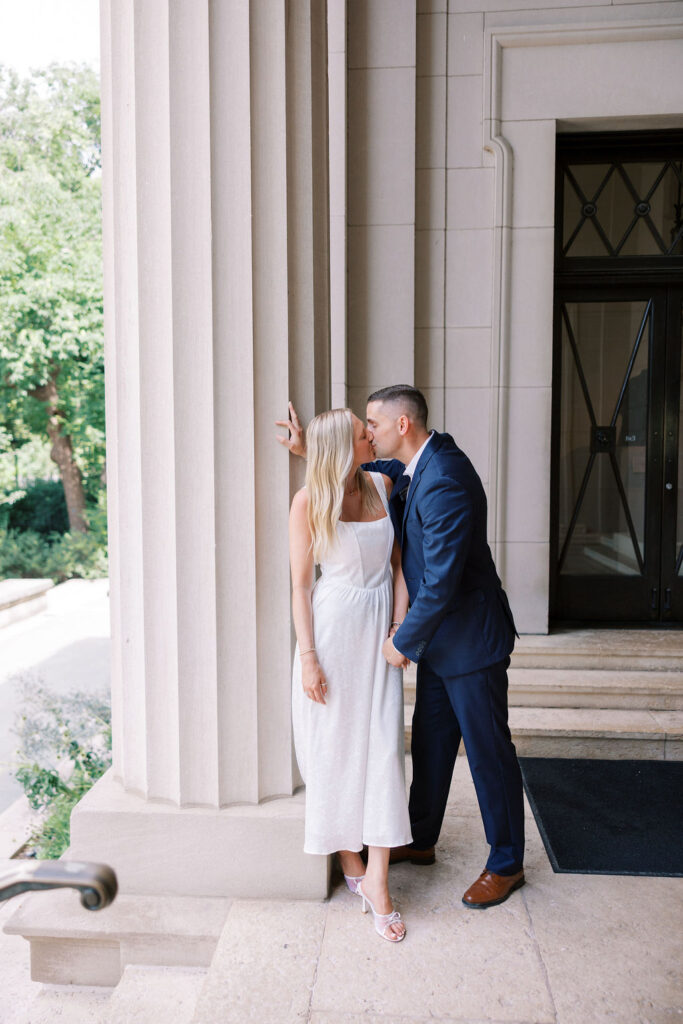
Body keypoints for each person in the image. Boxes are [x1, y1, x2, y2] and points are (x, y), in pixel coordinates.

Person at [277, 386, 525, 909]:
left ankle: (506, 863)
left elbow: (440, 581)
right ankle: (420, 838)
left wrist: (399, 641)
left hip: (469, 641)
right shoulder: (416, 467)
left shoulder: (444, 481)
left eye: (373, 423)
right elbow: (355, 470)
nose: (371, 434)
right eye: (363, 429)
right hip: (438, 641)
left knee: (487, 753)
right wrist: (316, 451)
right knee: (432, 744)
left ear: (402, 426)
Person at [288, 408, 412, 942]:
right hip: (335, 633)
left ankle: (378, 880)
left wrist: (401, 628)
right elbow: (299, 586)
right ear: (345, 446)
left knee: (385, 748)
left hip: (380, 633)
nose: (373, 435)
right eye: (365, 434)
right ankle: (349, 857)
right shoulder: (309, 500)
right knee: (336, 746)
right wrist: (309, 656)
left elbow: (400, 565)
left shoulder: (383, 482)